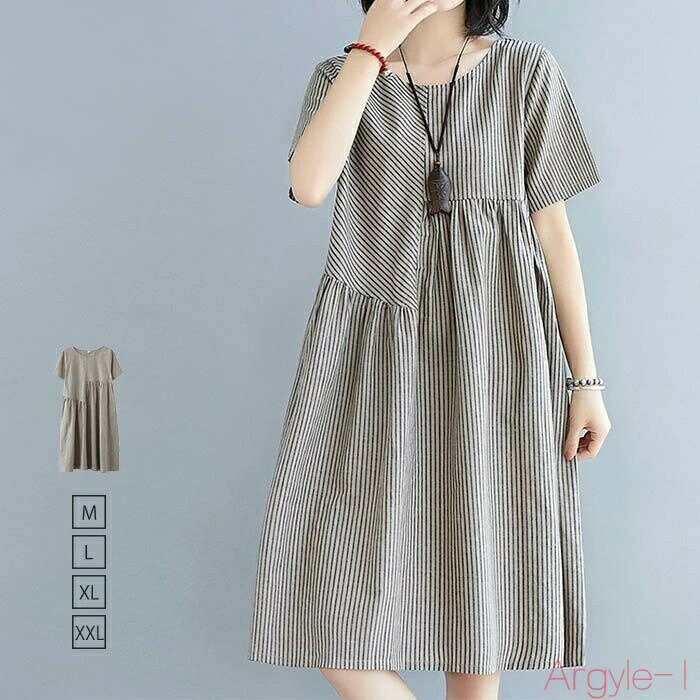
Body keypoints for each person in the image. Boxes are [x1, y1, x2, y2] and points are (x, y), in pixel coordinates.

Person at [249, 1, 611, 698]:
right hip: (369, 358)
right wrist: (371, 48)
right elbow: (309, 185)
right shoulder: (341, 77)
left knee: (480, 591)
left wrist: (585, 381)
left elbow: (554, 235)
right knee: (325, 611)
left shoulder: (524, 72)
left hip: (496, 350)